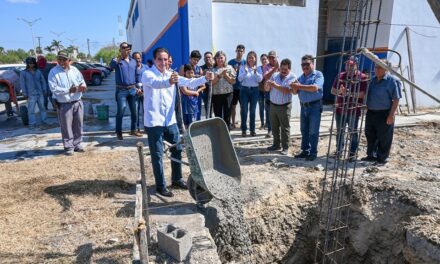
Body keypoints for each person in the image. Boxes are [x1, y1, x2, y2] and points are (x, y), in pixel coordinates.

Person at [141, 47, 214, 197]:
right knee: (157, 155)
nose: (163, 62)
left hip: (170, 121)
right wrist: (169, 81)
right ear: (155, 60)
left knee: (178, 149)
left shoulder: (171, 74)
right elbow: (157, 83)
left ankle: (176, 179)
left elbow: (189, 81)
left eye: (166, 59)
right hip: (154, 122)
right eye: (160, 59)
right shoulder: (147, 74)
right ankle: (160, 186)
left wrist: (205, 78)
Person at [362, 59, 401, 165]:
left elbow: (396, 99)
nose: (377, 69)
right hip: (371, 112)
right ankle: (371, 155)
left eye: (380, 67)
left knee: (384, 136)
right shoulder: (372, 80)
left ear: (386, 69)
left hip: (384, 113)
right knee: (370, 134)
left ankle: (382, 158)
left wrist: (391, 115)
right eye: (376, 67)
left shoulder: (392, 81)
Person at [48, 51, 87, 155]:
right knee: (66, 126)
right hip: (64, 103)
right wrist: (68, 90)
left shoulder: (74, 70)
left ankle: (77, 144)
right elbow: (53, 88)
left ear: (69, 60)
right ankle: (68, 147)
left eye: (64, 59)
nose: (61, 62)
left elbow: (81, 81)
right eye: (59, 59)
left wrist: (83, 86)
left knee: (78, 124)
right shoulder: (53, 72)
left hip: (77, 101)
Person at [331, 56, 367, 161]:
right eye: (347, 65)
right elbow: (332, 91)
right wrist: (340, 92)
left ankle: (352, 154)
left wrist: (349, 93)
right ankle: (339, 151)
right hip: (340, 109)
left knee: (353, 132)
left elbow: (362, 95)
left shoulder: (362, 77)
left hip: (353, 110)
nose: (349, 67)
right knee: (340, 131)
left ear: (356, 65)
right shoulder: (341, 76)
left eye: (351, 65)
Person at [292, 54, 324, 161]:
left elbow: (314, 88)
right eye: (303, 64)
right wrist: (294, 87)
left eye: (307, 64)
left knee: (313, 131)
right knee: (304, 130)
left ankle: (313, 152)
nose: (304, 66)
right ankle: (305, 151)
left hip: (314, 106)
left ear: (312, 64)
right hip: (304, 107)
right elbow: (294, 92)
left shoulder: (318, 75)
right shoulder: (301, 77)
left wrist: (298, 86)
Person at [109, 42, 142, 140]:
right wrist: (119, 58)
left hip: (132, 89)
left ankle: (133, 130)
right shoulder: (117, 60)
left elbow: (137, 75)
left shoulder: (133, 61)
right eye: (123, 47)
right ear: (120, 49)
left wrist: (139, 87)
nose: (126, 49)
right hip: (121, 90)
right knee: (121, 110)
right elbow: (111, 66)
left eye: (127, 47)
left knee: (134, 111)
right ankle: (119, 132)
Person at [265, 59, 296, 155]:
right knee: (274, 126)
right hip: (273, 105)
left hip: (284, 106)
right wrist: (267, 85)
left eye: (285, 69)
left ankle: (285, 147)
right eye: (281, 68)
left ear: (289, 69)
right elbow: (267, 89)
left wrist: (274, 85)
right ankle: (276, 144)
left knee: (285, 127)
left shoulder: (292, 77)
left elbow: (287, 90)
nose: (282, 71)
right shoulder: (275, 75)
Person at [238, 51, 263, 137]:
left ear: (255, 59)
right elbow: (239, 79)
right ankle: (244, 130)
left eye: (252, 57)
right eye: (249, 57)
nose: (251, 59)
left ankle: (252, 130)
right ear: (247, 59)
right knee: (244, 111)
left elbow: (260, 80)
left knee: (252, 111)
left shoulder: (258, 68)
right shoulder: (243, 67)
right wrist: (245, 72)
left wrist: (255, 72)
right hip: (244, 90)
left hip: (255, 91)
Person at [20, 57, 48, 129]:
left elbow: (43, 81)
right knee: (31, 110)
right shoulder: (23, 73)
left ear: (34, 63)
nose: (31, 65)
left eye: (32, 63)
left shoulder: (38, 71)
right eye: (29, 63)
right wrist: (24, 93)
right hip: (31, 94)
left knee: (42, 108)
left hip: (40, 93)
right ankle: (32, 124)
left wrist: (44, 90)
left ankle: (44, 121)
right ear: (27, 64)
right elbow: (22, 84)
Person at [212, 51, 236, 128]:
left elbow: (233, 81)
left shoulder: (229, 68)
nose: (220, 59)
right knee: (218, 115)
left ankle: (227, 132)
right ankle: (219, 132)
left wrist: (225, 75)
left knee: (227, 114)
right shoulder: (212, 69)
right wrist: (219, 76)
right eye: (218, 58)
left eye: (221, 57)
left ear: (225, 58)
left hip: (228, 95)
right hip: (216, 95)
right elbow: (211, 83)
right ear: (215, 59)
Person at [179, 50, 204, 121]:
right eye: (194, 59)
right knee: (186, 117)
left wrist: (197, 92)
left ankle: (196, 130)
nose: (196, 62)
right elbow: (181, 84)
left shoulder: (199, 69)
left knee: (196, 116)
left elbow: (202, 85)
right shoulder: (183, 67)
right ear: (190, 58)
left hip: (196, 97)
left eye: (197, 60)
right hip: (185, 97)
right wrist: (187, 92)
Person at [262, 50, 280, 138]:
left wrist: (278, 67)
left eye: (273, 57)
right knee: (269, 112)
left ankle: (278, 129)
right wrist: (275, 69)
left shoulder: (281, 66)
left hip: (279, 91)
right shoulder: (266, 66)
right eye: (269, 57)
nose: (271, 59)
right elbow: (266, 76)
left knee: (278, 111)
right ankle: (270, 130)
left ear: (276, 57)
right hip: (269, 92)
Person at [228, 44, 246, 129]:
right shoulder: (231, 62)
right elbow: (227, 74)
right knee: (233, 107)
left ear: (244, 52)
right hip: (233, 88)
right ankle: (233, 123)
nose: (239, 52)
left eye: (241, 51)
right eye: (238, 50)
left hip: (243, 88)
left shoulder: (245, 62)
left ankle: (243, 123)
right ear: (236, 51)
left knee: (243, 107)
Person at [133, 51, 148, 132]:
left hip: (145, 92)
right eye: (135, 59)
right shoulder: (131, 68)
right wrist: (136, 89)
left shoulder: (146, 68)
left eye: (138, 58)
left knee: (146, 110)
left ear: (141, 58)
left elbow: (149, 79)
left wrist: (143, 89)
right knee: (136, 110)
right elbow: (129, 80)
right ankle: (137, 128)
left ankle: (146, 127)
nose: (137, 60)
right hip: (134, 92)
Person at [201, 51, 214, 118]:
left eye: (209, 57)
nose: (208, 59)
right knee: (208, 109)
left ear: (212, 58)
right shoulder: (201, 68)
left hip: (216, 92)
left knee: (218, 109)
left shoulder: (216, 67)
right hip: (206, 92)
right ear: (204, 59)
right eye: (206, 58)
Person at [258, 54, 269, 129]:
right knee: (261, 107)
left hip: (268, 90)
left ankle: (267, 123)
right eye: (262, 59)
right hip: (260, 90)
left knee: (267, 108)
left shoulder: (270, 68)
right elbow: (259, 78)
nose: (264, 60)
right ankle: (262, 123)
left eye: (265, 59)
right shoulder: (259, 68)